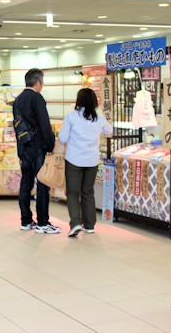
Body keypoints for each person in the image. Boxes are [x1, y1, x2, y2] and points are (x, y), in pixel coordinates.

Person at [58, 88, 112, 237]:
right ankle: (89, 225)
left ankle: (75, 223)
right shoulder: (99, 118)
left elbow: (62, 138)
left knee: (73, 193)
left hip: (74, 160)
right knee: (88, 192)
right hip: (92, 161)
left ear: (79, 100)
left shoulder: (71, 117)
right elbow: (110, 131)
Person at [13, 68, 59, 234]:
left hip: (23, 148)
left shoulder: (17, 100)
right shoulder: (37, 98)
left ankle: (25, 220)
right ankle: (42, 222)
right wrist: (50, 145)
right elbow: (44, 125)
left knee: (25, 183)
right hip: (37, 148)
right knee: (43, 183)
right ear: (38, 82)